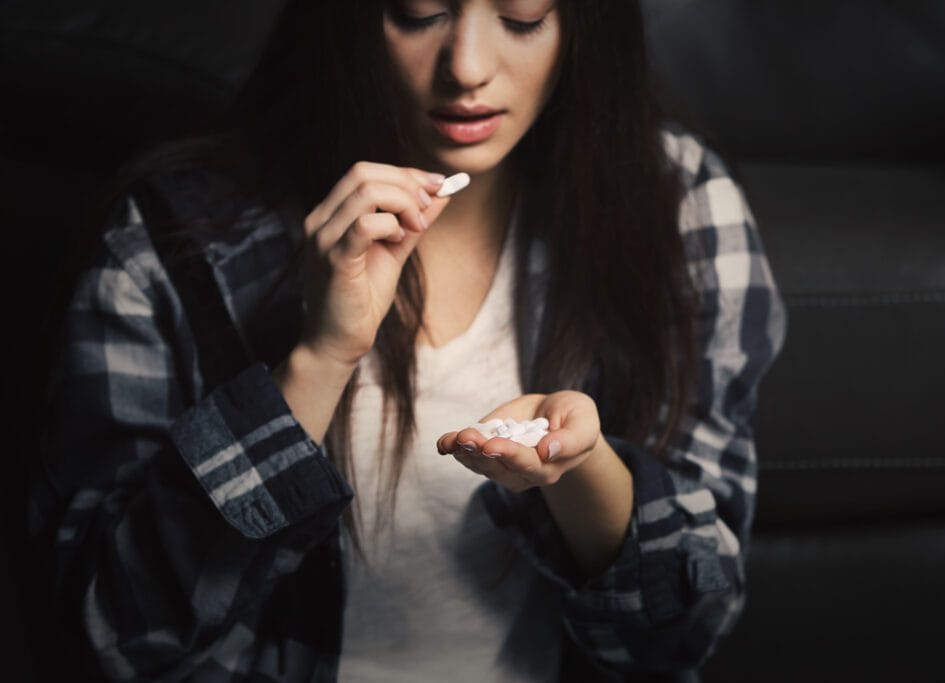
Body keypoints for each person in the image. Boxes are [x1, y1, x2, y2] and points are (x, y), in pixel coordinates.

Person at [30, 0, 786, 680]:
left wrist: (579, 470)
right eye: (419, 13)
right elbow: (114, 637)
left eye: (522, 19)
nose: (467, 67)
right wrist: (320, 357)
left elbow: (686, 633)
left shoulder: (678, 204)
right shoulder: (173, 241)